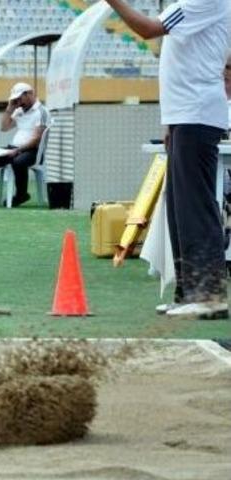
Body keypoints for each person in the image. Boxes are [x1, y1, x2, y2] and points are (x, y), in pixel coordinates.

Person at [106, 0, 229, 319]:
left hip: (195, 112)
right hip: (185, 114)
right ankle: (191, 292)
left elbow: (148, 29)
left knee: (194, 207)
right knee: (180, 209)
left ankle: (209, 294)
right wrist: (170, 121)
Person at [0, 82, 49, 207]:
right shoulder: (19, 111)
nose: (18, 101)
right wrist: (9, 109)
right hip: (13, 148)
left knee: (18, 161)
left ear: (29, 94)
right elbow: (4, 127)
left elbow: (37, 139)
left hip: (33, 151)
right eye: (15, 99)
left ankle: (21, 195)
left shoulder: (41, 111)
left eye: (19, 98)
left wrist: (18, 150)